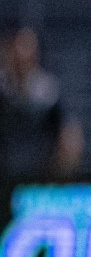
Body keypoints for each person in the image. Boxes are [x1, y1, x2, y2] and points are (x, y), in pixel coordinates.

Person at [0, 26, 84, 180]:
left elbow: (69, 134)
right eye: (16, 53)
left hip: (38, 172)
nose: (21, 59)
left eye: (26, 52)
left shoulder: (49, 94)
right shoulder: (4, 90)